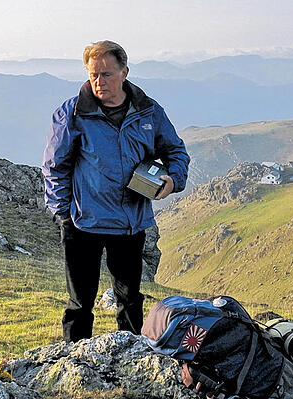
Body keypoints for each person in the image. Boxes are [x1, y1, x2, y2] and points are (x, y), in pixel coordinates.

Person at [42, 40, 190, 342]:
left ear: (124, 72)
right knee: (80, 303)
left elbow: (175, 150)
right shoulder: (71, 114)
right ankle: (76, 364)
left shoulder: (148, 111)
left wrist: (173, 180)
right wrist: (63, 214)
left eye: (106, 74)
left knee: (130, 300)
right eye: (93, 74)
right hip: (83, 223)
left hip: (129, 224)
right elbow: (54, 166)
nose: (99, 81)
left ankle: (135, 359)